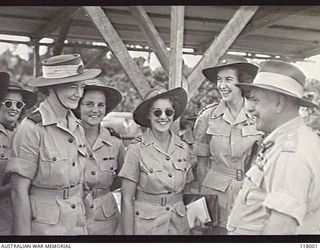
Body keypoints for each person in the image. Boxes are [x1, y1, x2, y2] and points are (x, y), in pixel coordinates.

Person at [6, 54, 101, 235]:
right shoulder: (32, 128)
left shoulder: (76, 126)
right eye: (72, 87)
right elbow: (19, 193)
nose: (79, 94)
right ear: (52, 88)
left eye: (81, 87)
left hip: (77, 224)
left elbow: (80, 182)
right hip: (45, 228)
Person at [227, 60, 320, 235]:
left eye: (255, 100)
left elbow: (281, 228)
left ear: (279, 103)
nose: (250, 108)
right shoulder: (291, 139)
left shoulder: (290, 154)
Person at [192, 54, 263, 234]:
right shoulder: (207, 116)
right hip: (215, 194)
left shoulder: (258, 115)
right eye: (219, 80)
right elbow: (201, 165)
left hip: (248, 193)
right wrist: (204, 203)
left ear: (242, 82)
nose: (221, 86)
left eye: (228, 79)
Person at [119, 86, 194, 235]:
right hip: (147, 226)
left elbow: (189, 189)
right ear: (149, 115)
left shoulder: (183, 148)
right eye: (157, 112)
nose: (163, 117)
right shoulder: (136, 149)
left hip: (178, 226)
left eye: (168, 112)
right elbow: (126, 199)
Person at [73, 78, 125, 235]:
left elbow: (123, 177)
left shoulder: (115, 141)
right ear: (78, 107)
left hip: (106, 219)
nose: (95, 109)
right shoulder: (66, 137)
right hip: (72, 213)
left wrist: (101, 190)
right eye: (89, 104)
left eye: (100, 105)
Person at [0, 75, 37, 235]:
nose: (14, 108)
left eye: (19, 104)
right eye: (8, 103)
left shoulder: (25, 133)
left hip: (23, 212)